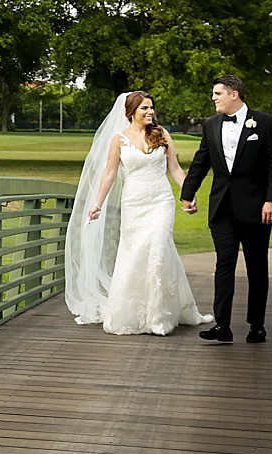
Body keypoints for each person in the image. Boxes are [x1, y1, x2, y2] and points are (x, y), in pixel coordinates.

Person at [65, 91, 210, 335]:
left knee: (159, 249)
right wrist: (97, 204)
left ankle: (159, 317)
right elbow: (109, 174)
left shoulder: (162, 134)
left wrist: (189, 194)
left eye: (151, 107)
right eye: (144, 108)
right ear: (131, 112)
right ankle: (134, 312)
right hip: (134, 203)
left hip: (161, 201)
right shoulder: (119, 140)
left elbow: (175, 169)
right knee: (135, 255)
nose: (150, 112)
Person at [179, 75, 272, 344]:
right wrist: (187, 194)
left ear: (234, 94)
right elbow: (201, 161)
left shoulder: (266, 123)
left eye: (217, 93)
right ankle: (222, 325)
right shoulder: (210, 125)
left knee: (256, 267)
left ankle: (257, 326)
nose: (213, 98)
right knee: (224, 264)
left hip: (257, 209)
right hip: (222, 208)